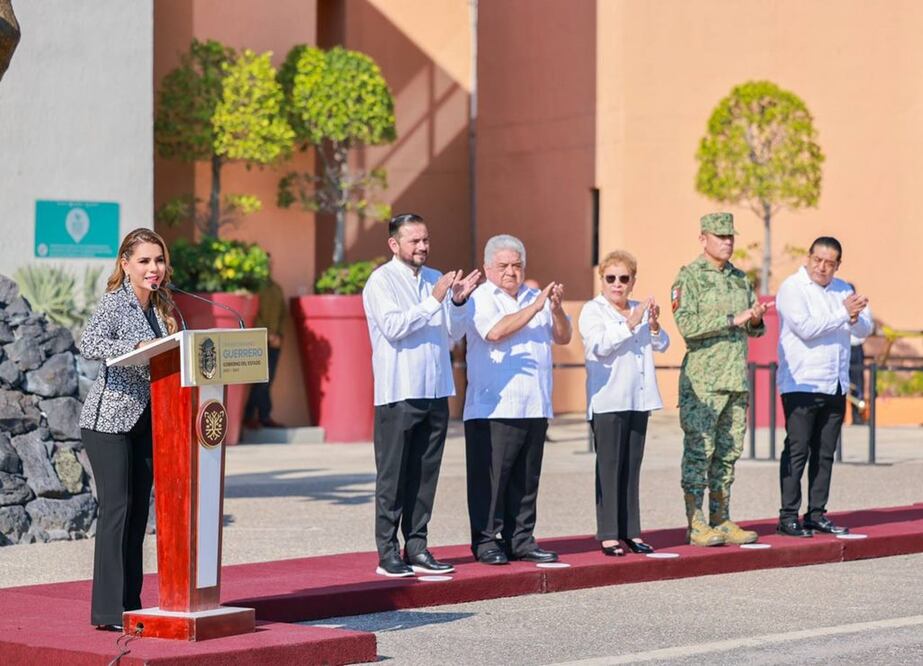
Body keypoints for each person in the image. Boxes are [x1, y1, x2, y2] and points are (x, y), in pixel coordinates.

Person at [362, 213, 480, 577]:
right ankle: (388, 553)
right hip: (398, 391)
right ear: (394, 244)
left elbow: (452, 334)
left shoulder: (436, 279)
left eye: (426, 240)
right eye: (414, 241)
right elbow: (394, 328)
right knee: (393, 476)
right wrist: (434, 301)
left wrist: (457, 303)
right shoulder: (381, 281)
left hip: (435, 388)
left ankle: (417, 546)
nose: (423, 247)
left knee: (425, 474)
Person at [79, 228, 178, 631]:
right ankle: (107, 611)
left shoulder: (164, 307)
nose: (154, 268)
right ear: (126, 264)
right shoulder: (114, 304)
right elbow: (88, 343)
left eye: (158, 260)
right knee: (116, 510)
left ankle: (130, 603)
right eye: (144, 261)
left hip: (148, 421)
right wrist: (135, 349)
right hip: (108, 424)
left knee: (138, 514)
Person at [461, 234, 572, 565]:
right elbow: (495, 332)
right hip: (494, 405)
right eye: (503, 265)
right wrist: (535, 306)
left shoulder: (534, 297)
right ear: (487, 267)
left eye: (517, 265)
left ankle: (520, 538)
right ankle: (486, 540)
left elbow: (563, 336)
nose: (511, 271)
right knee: (492, 479)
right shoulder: (479, 297)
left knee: (526, 479)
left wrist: (555, 308)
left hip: (534, 403)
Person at [671, 212, 769, 547]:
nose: (727, 242)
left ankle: (721, 517)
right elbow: (687, 326)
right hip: (703, 383)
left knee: (728, 453)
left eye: (730, 237)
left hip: (735, 380)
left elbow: (754, 330)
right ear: (703, 238)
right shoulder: (689, 278)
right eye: (720, 236)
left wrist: (754, 319)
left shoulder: (740, 279)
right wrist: (733, 318)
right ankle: (696, 522)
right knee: (700, 452)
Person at [775, 237, 873, 537]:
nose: (822, 267)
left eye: (830, 263)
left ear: (838, 265)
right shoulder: (792, 288)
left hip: (835, 382)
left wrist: (854, 317)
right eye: (818, 260)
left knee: (825, 453)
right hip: (802, 382)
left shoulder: (844, 289)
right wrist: (844, 314)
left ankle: (816, 513)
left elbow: (864, 330)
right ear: (808, 257)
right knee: (797, 449)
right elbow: (805, 328)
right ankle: (788, 515)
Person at [580, 250, 670, 556]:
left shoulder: (640, 308)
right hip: (608, 399)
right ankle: (608, 534)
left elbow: (662, 344)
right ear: (602, 279)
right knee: (609, 467)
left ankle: (631, 531)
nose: (617, 284)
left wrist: (654, 324)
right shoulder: (593, 311)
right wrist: (630, 322)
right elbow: (599, 346)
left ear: (632, 281)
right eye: (611, 278)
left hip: (638, 399)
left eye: (624, 278)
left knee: (632, 468)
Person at [244, 255, 287, 429]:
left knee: (268, 380)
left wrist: (279, 335)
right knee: (259, 381)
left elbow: (283, 314)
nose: (269, 267)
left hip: (275, 342)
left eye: (270, 263)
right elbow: (254, 314)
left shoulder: (277, 289)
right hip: (258, 342)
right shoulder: (256, 289)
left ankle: (262, 416)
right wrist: (267, 334)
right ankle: (253, 416)